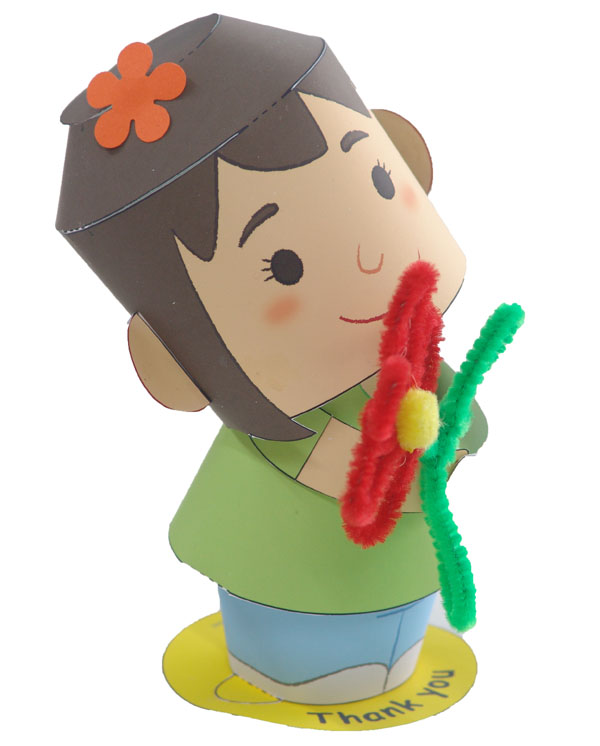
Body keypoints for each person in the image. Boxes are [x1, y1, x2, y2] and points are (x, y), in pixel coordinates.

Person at [56, 13, 486, 705]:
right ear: (171, 361)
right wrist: (417, 455)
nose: (369, 259)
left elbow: (468, 426)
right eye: (282, 265)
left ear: (404, 154)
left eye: (381, 182)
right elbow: (341, 468)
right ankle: (301, 675)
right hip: (285, 582)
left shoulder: (416, 364)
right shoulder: (280, 437)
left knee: (402, 609)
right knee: (305, 652)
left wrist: (444, 437)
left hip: (409, 568)